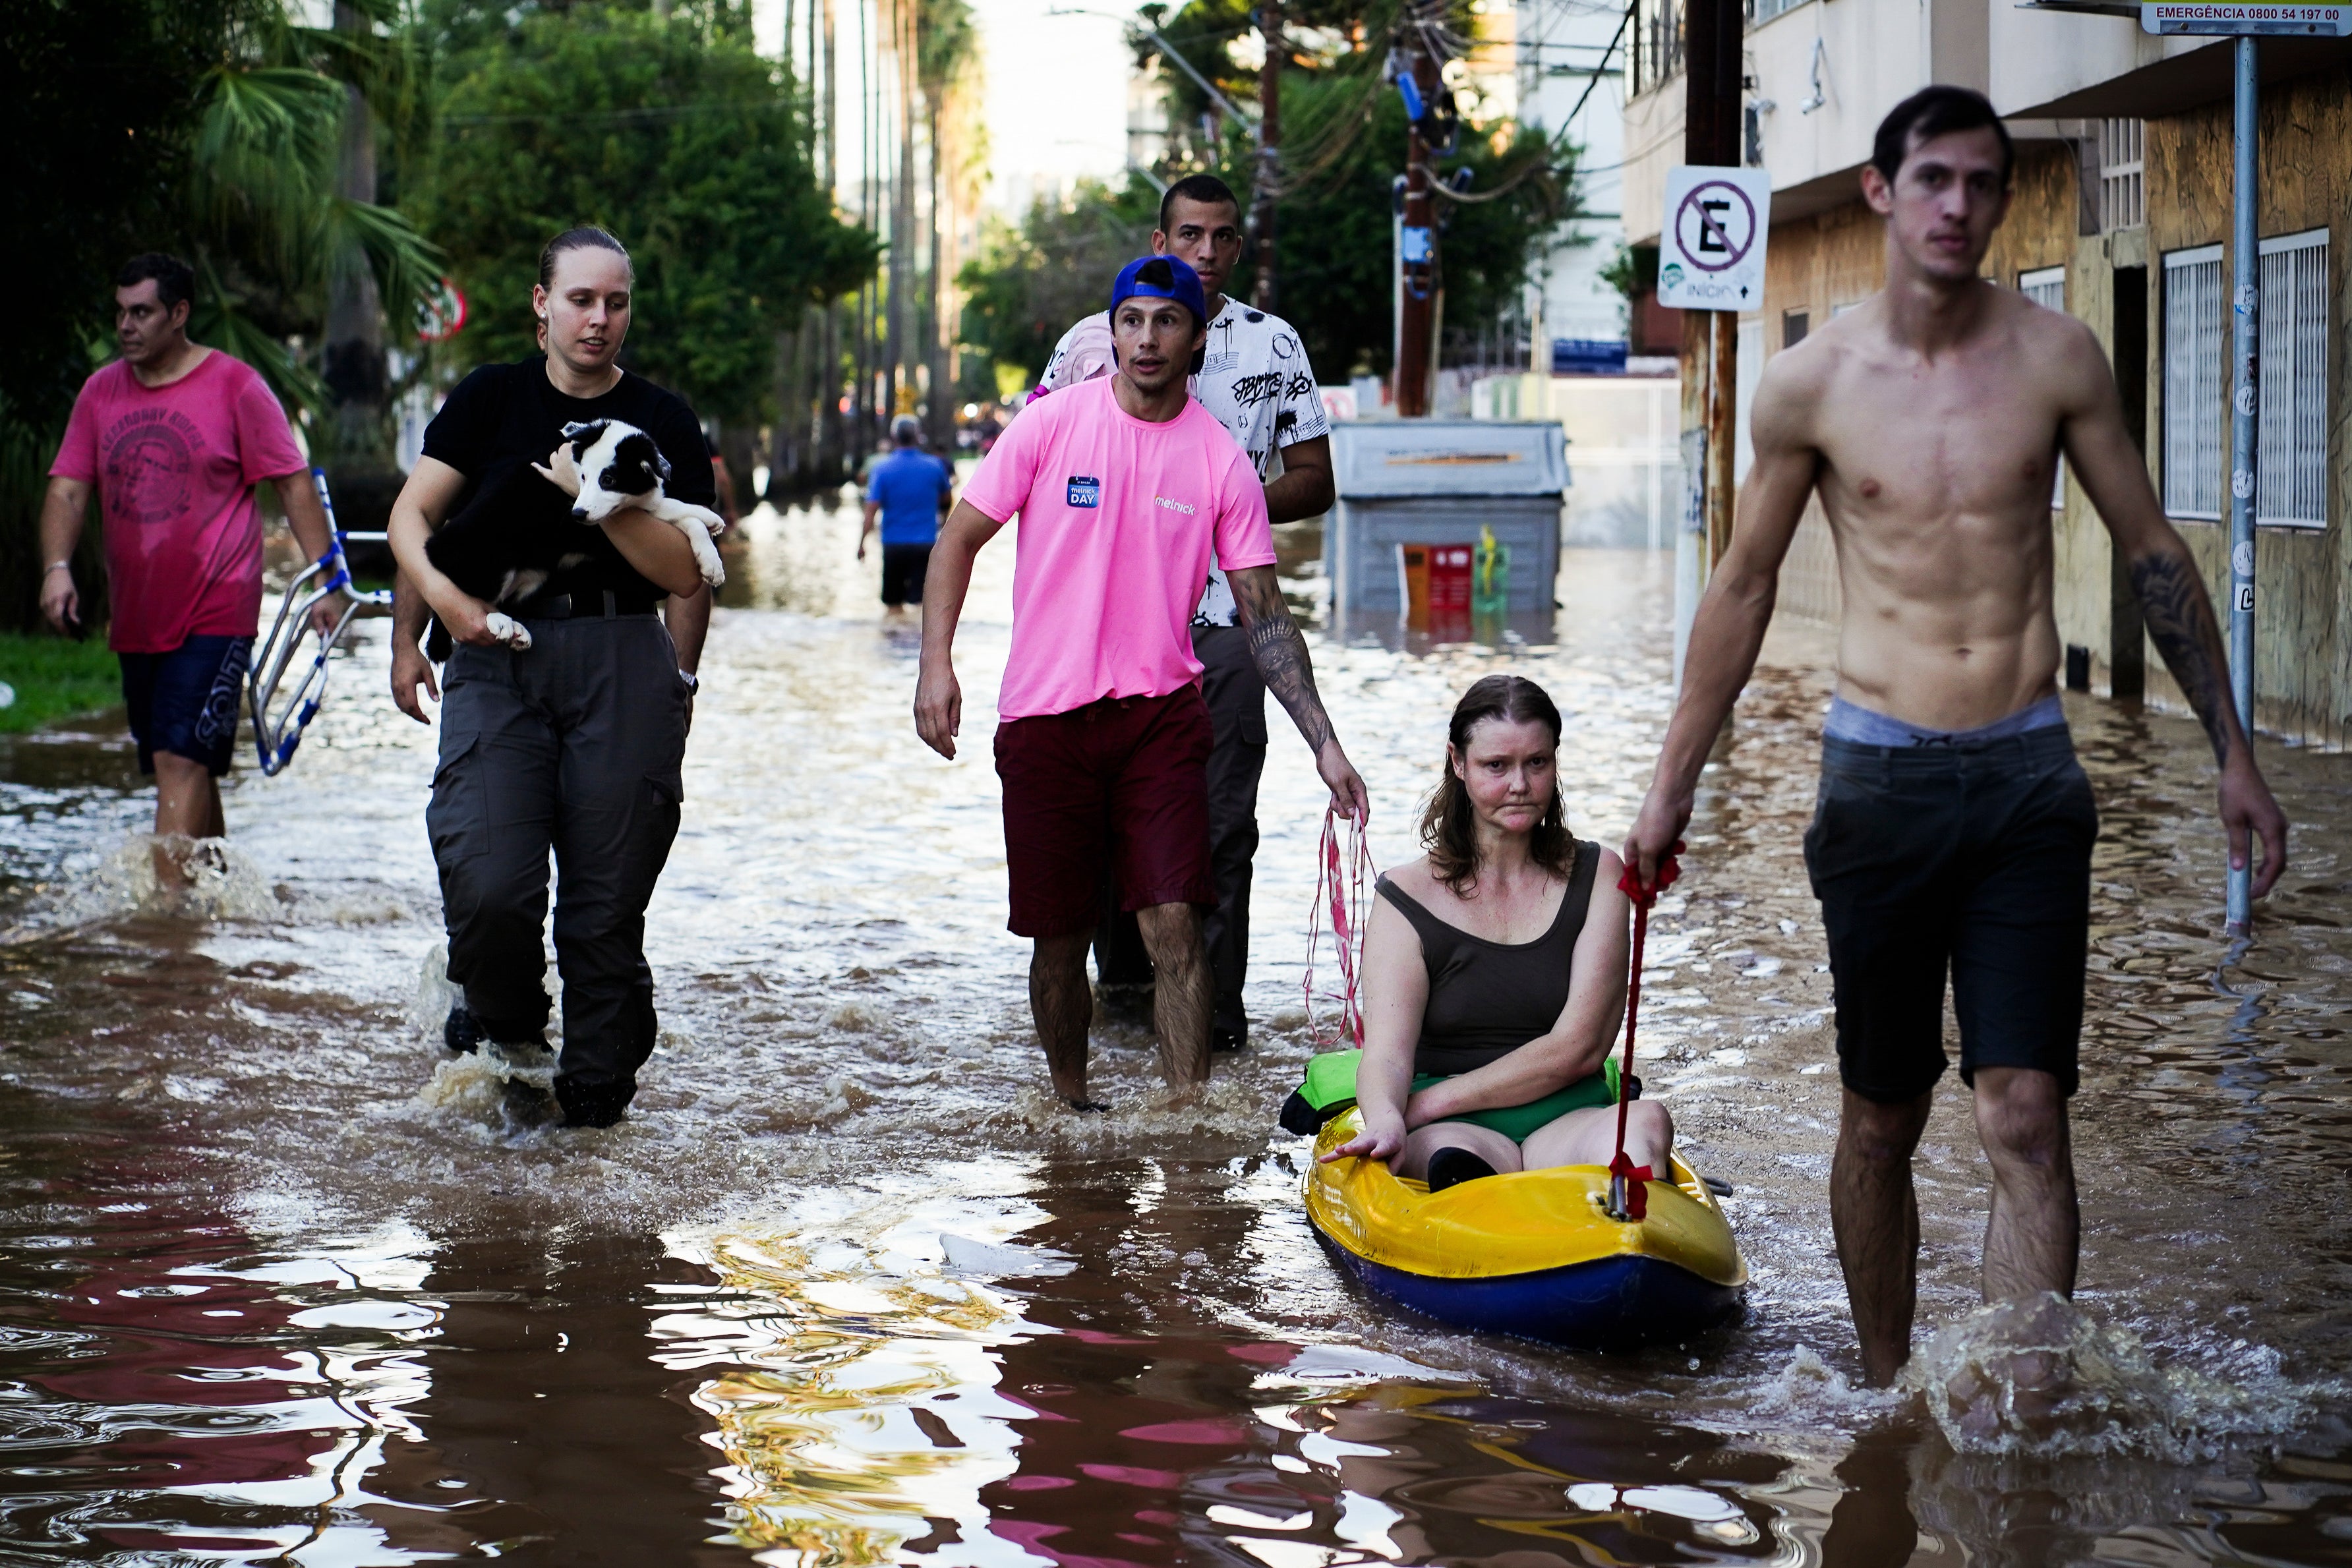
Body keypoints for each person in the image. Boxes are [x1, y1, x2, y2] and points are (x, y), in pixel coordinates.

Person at [1621, 86, 2289, 1385]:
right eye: (1930, 179)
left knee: (2025, 1115)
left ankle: (2017, 1420)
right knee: (1879, 1118)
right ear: (1878, 190)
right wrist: (1667, 792)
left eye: (1980, 183)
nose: (1956, 206)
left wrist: (2230, 753)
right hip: (1875, 780)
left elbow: (2150, 550)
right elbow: (1743, 587)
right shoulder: (1809, 384)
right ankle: (1883, 1401)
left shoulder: (2054, 357)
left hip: (2027, 773)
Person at [915, 255, 1369, 1109]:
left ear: (1198, 339)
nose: (1147, 338)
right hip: (1046, 718)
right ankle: (1072, 1107)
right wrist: (935, 664)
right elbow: (958, 539)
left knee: (1174, 927)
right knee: (1059, 939)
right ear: (1111, 330)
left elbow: (1265, 617)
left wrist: (1327, 744)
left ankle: (1187, 1118)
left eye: (1168, 321)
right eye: (1133, 320)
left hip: (1160, 718)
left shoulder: (1222, 463)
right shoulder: (1050, 426)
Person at [386, 225, 718, 1131]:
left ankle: (597, 1107)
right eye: (581, 299)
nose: (599, 319)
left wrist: (592, 491)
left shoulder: (665, 417)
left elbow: (683, 573)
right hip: (494, 653)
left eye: (616, 302)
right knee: (489, 884)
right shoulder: (490, 399)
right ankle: (509, 1031)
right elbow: (415, 519)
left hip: (622, 659)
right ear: (543, 304)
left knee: (603, 915)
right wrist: (417, 632)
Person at [1036, 173, 1337, 1054]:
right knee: (1101, 825)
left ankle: (1212, 1026)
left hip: (1227, 624)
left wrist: (1223, 504)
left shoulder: (1271, 344)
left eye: (1224, 237)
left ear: (1238, 248)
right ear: (1160, 241)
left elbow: (1317, 476)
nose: (1207, 252)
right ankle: (1126, 993)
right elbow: (1036, 466)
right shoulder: (1089, 346)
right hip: (1101, 636)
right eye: (1190, 236)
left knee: (1217, 827)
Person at [39, 252, 347, 886]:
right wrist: (56, 567)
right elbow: (69, 489)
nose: (127, 326)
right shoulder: (101, 392)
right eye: (121, 312)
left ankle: (167, 934)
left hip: (216, 609)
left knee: (178, 758)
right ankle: (220, 902)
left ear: (179, 314)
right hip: (138, 617)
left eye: (142, 312)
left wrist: (327, 581)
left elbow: (292, 485)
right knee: (184, 764)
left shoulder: (236, 386)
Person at [1322, 676, 1670, 1190]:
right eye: (1496, 766)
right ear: (1458, 763)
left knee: (1645, 1123)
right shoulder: (1404, 894)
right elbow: (1388, 1054)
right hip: (1452, 1133)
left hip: (1567, 1117)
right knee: (1445, 1160)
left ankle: (1620, 1234)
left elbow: (1580, 1047)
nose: (1520, 785)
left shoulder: (1600, 874)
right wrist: (1390, 1117)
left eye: (1537, 762)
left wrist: (1426, 1104)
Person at [857, 413, 954, 614]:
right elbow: (947, 499)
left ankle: (894, 645)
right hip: (925, 544)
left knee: (893, 606)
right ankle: (916, 644)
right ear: (918, 437)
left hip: (894, 545)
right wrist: (943, 526)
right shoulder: (934, 466)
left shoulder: (882, 469)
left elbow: (871, 510)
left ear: (894, 437)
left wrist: (861, 543)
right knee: (921, 607)